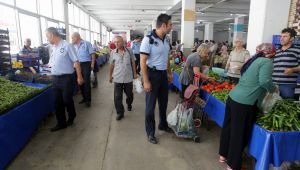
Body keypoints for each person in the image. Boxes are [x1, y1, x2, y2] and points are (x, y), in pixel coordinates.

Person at [219, 43, 278, 170]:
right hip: (245, 103)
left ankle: (223, 155)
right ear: (271, 53)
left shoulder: (253, 60)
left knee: (228, 127)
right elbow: (265, 81)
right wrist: (274, 89)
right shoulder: (266, 62)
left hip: (233, 97)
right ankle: (233, 164)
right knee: (238, 133)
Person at [140, 13, 173, 144]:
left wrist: (169, 73)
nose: (172, 27)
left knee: (163, 103)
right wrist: (146, 80)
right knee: (150, 106)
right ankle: (150, 132)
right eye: (170, 24)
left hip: (163, 75)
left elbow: (167, 58)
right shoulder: (148, 40)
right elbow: (142, 61)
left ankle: (163, 124)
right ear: (163, 25)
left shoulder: (167, 39)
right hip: (152, 75)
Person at [45, 27, 84, 132]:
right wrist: (49, 69)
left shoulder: (67, 45)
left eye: (47, 36)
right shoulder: (53, 47)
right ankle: (61, 123)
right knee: (58, 102)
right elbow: (51, 62)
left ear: (52, 35)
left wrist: (79, 77)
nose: (47, 39)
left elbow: (76, 62)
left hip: (66, 78)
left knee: (67, 100)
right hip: (55, 79)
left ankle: (72, 116)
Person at [109, 36, 138, 121]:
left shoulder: (129, 51)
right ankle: (120, 112)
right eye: (115, 42)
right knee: (117, 96)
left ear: (123, 42)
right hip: (117, 77)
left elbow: (133, 62)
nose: (116, 44)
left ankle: (129, 104)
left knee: (129, 94)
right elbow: (111, 65)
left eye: (118, 42)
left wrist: (135, 74)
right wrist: (110, 76)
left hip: (128, 77)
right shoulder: (113, 53)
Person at [272, 28, 300, 99]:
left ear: (291, 38)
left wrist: (293, 69)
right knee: (271, 106)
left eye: (285, 36)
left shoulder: (297, 50)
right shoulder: (276, 51)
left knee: (286, 105)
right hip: (273, 83)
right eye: (281, 36)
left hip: (287, 85)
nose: (281, 38)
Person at [71, 32, 96, 107]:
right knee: (80, 82)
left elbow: (93, 54)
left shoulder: (86, 43)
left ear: (77, 37)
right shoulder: (73, 46)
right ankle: (84, 98)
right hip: (76, 65)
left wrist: (92, 64)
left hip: (85, 64)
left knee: (86, 82)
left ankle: (88, 100)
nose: (72, 39)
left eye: (72, 38)